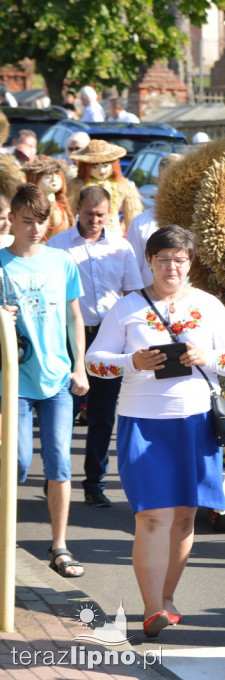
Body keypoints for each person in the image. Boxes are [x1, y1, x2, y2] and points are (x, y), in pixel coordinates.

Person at [86, 224, 225, 637]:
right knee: (152, 517)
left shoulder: (209, 306)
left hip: (195, 422)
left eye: (179, 259)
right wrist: (131, 362)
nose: (171, 267)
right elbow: (94, 361)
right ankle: (152, 606)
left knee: (184, 518)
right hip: (143, 422)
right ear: (149, 262)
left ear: (189, 262)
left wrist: (205, 355)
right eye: (163, 260)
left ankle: (168, 596)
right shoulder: (128, 308)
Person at [1, 183, 89, 577]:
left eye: (41, 222)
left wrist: (80, 366)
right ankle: (7, 537)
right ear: (12, 221)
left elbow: (74, 317)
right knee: (16, 462)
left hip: (57, 379)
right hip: (13, 378)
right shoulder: (1, 263)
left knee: (59, 463)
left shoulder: (62, 262)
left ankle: (59, 545)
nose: (35, 229)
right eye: (27, 222)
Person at [48, 185, 144, 507]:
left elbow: (132, 295)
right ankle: (55, 479)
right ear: (78, 209)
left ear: (111, 213)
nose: (94, 220)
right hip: (68, 337)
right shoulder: (58, 247)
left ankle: (94, 484)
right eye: (89, 214)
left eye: (101, 215)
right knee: (65, 411)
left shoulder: (121, 248)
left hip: (108, 338)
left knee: (103, 415)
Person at [126, 153, 183, 287]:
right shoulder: (140, 223)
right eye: (170, 179)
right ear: (159, 180)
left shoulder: (199, 220)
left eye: (181, 178)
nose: (176, 184)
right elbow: (131, 272)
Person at [68, 140, 143, 235]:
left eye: (106, 165)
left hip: (114, 234)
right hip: (84, 233)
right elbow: (69, 212)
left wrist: (134, 236)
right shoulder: (76, 185)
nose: (102, 170)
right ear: (86, 166)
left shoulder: (123, 184)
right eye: (95, 166)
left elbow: (133, 214)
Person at [21, 156, 74, 241]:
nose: (54, 180)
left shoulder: (61, 204)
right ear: (34, 179)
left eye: (57, 177)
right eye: (48, 177)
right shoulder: (30, 205)